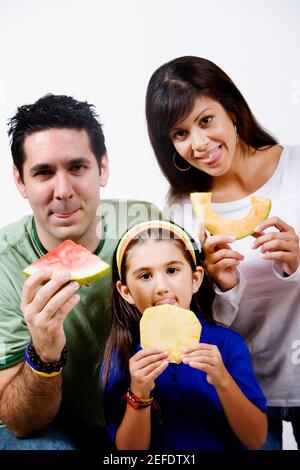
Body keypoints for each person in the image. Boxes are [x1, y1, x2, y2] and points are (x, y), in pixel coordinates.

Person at [145, 56, 300, 450]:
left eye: (205, 120)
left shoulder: (296, 169)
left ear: (232, 109)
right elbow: (196, 320)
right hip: (238, 387)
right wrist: (219, 288)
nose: (198, 144)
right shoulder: (181, 209)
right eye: (180, 134)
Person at [0, 94, 159, 450]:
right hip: (55, 426)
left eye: (77, 167)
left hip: (141, 413)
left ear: (102, 167)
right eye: (43, 173)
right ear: (20, 181)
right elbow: (19, 422)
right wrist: (43, 351)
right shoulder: (3, 264)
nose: (63, 191)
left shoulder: (145, 223)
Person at [101, 219, 267, 450]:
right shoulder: (121, 358)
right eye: (145, 276)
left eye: (172, 270)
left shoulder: (228, 345)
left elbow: (256, 439)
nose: (161, 286)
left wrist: (222, 379)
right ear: (126, 292)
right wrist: (139, 391)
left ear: (195, 279)